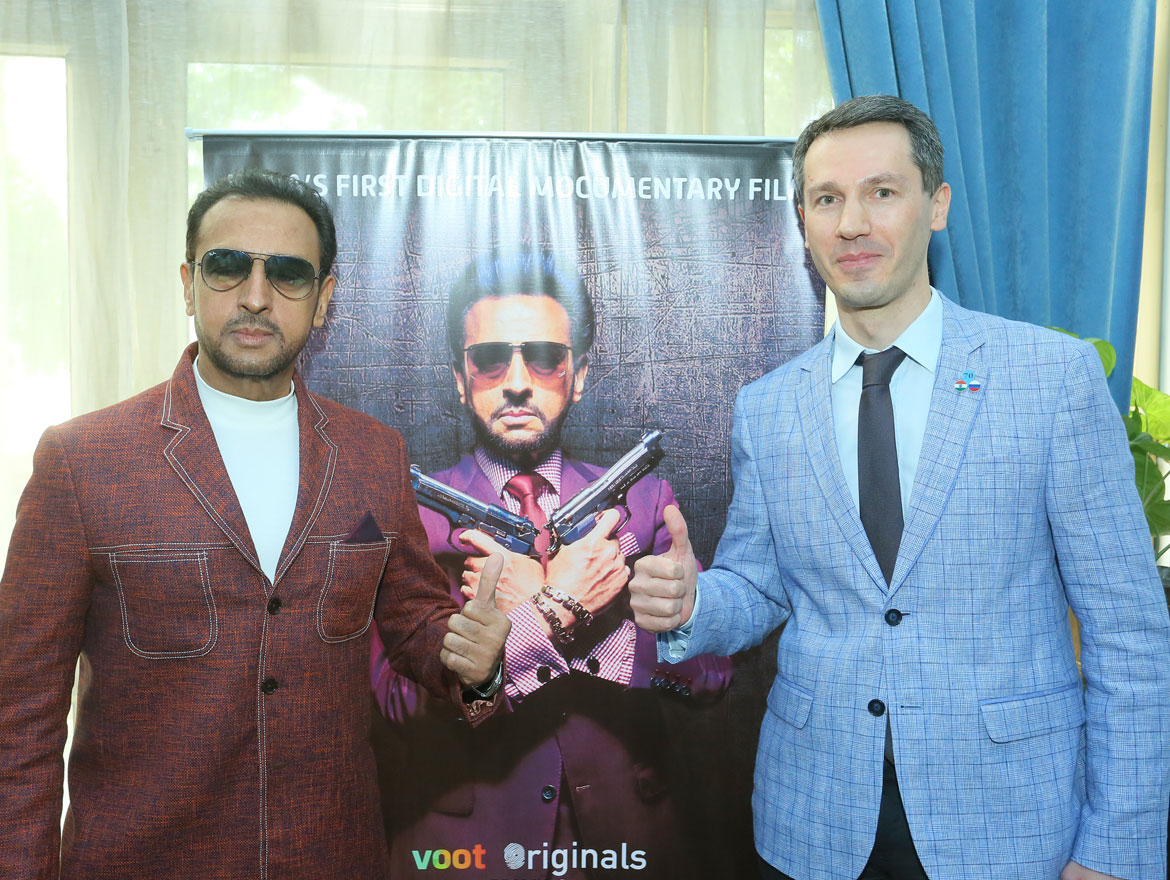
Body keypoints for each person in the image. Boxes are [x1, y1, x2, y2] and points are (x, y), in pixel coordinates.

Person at [628, 95, 1170, 880]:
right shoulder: (768, 406)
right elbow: (761, 585)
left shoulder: (1051, 379)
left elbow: (1128, 631)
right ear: (803, 222)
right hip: (813, 822)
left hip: (1011, 827)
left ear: (936, 205)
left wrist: (1116, 848)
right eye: (827, 199)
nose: (852, 223)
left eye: (881, 192)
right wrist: (693, 605)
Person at [0, 169, 510, 880]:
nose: (256, 296)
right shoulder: (83, 461)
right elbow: (19, 716)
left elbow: (415, 620)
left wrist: (471, 660)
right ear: (188, 283)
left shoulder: (373, 454)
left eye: (289, 274)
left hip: (330, 857)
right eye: (227, 266)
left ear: (323, 299)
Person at [369, 251, 733, 879]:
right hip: (469, 856)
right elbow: (394, 702)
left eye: (543, 358)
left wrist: (625, 635)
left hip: (630, 847)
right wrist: (552, 611)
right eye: (490, 359)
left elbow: (709, 679)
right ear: (459, 378)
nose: (517, 382)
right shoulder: (402, 515)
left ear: (579, 375)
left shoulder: (646, 503)